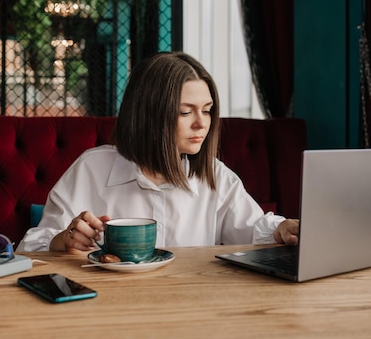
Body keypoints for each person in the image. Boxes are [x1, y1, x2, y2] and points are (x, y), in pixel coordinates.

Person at [17, 51, 299, 252]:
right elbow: (32, 246)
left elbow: (254, 228)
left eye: (208, 110)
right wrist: (64, 240)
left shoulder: (214, 176)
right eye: (185, 112)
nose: (202, 123)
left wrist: (282, 228)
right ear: (149, 115)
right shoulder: (91, 168)